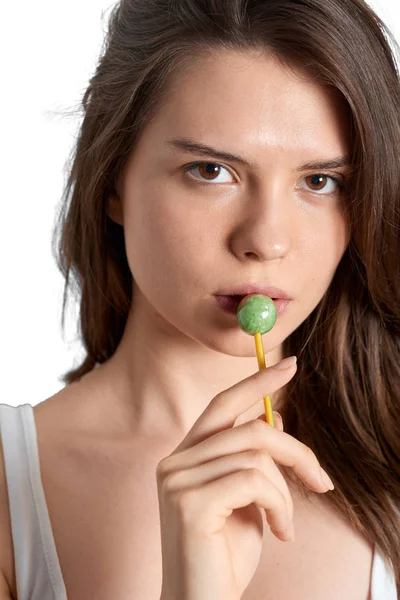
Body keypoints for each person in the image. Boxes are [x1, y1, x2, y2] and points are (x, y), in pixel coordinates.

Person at [1, 0, 399, 598]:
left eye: (320, 181)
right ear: (112, 178)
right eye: (211, 171)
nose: (265, 239)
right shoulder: (10, 490)